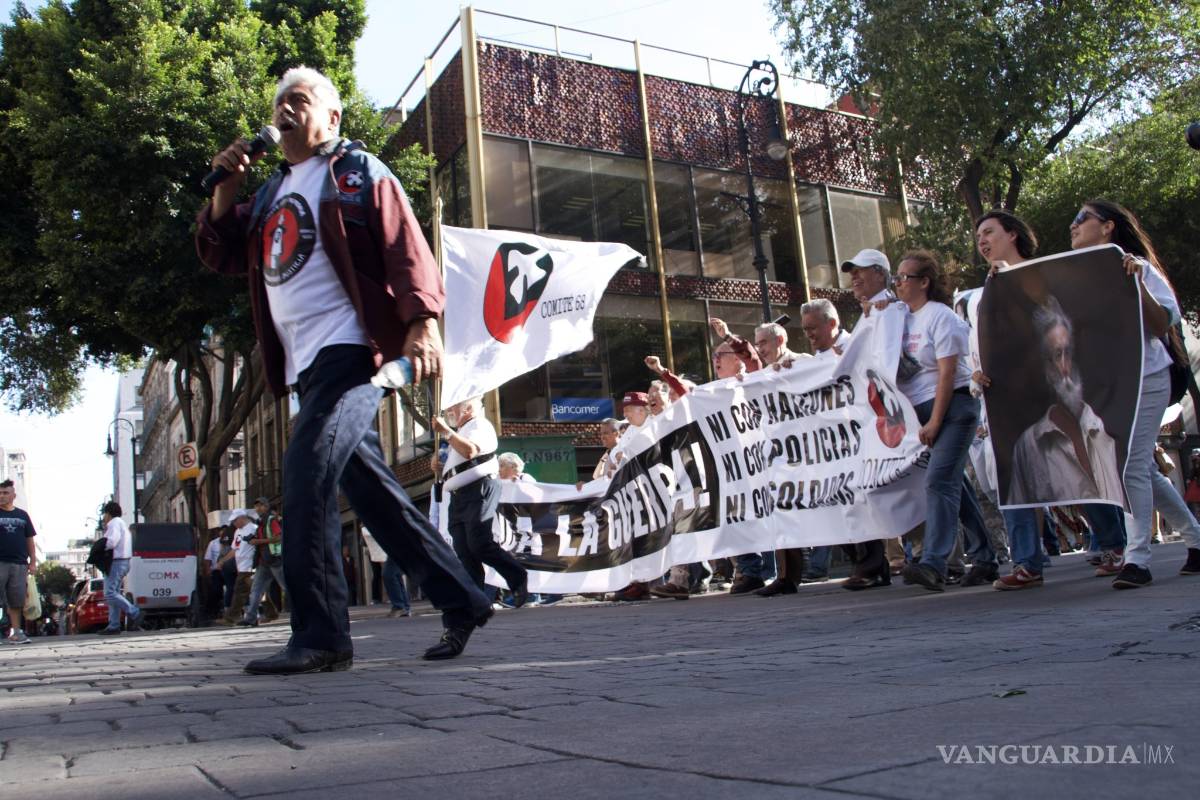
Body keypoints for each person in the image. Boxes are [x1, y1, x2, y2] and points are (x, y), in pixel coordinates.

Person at [196, 66, 492, 672]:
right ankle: (463, 598)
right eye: (278, 101)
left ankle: (323, 636)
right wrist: (224, 187)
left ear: (331, 118)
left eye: (298, 101)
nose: (284, 110)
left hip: (352, 351)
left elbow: (405, 246)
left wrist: (422, 322)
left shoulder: (358, 173)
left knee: (306, 478)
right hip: (304, 365)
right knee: (375, 495)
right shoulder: (271, 194)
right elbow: (221, 252)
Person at [1067, 199, 1200, 584]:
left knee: (1128, 469)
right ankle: (1195, 540)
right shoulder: (1079, 276)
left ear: (1108, 227)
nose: (1073, 226)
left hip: (1146, 378)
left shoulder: (1137, 267)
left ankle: (1137, 559)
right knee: (1138, 469)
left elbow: (1161, 325)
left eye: (1082, 219)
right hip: (1108, 387)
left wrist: (1139, 283)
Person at [883, 251, 992, 592]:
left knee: (939, 482)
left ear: (924, 282)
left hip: (953, 408)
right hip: (922, 411)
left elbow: (947, 375)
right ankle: (986, 557)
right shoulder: (902, 316)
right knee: (955, 485)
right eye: (896, 278)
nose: (898, 283)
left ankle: (933, 562)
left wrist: (935, 422)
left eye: (904, 277)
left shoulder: (941, 317)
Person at [1007, 296, 1124, 506]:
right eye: (1056, 354)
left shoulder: (1110, 428)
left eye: (1068, 353)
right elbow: (1028, 513)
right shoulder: (1029, 445)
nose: (1065, 368)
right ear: (1045, 366)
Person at [432, 397, 529, 609]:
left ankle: (517, 577)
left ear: (468, 408)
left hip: (479, 488)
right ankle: (474, 600)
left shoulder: (479, 425)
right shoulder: (462, 431)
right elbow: (460, 463)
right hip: (459, 496)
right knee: (463, 548)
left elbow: (470, 452)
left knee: (479, 542)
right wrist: (441, 468)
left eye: (454, 407)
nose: (449, 411)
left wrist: (446, 432)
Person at [708, 317, 774, 594]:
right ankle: (748, 570)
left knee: (764, 515)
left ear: (738, 360)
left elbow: (753, 358)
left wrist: (729, 335)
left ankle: (765, 570)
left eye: (721, 355)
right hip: (731, 467)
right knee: (736, 516)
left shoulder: (751, 378)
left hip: (760, 461)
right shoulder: (710, 392)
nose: (715, 361)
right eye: (713, 357)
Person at [97, 501, 144, 635]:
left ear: (109, 513)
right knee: (115, 593)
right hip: (124, 561)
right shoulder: (121, 523)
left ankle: (134, 612)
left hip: (116, 562)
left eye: (105, 514)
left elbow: (112, 542)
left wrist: (101, 547)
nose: (104, 517)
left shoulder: (114, 523)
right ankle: (114, 625)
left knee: (109, 593)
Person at [0, 479, 37, 644]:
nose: (1, 496)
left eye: (5, 493)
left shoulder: (22, 515)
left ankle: (16, 633)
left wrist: (33, 562)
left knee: (16, 599)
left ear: (13, 495)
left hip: (19, 564)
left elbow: (29, 539)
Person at [239, 498, 285, 626]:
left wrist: (257, 542)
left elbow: (278, 538)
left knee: (288, 587)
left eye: (261, 506)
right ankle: (250, 618)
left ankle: (305, 611)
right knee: (256, 590)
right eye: (256, 506)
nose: (258, 508)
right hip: (263, 562)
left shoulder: (271, 520)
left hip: (275, 560)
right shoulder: (260, 522)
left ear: (267, 507)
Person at [218, 510, 258, 625]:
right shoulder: (237, 532)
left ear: (242, 518)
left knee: (239, 591)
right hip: (241, 566)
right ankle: (267, 613)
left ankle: (231, 616)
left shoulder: (253, 528)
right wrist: (223, 560)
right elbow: (235, 550)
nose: (234, 523)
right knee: (256, 591)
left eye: (235, 520)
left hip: (249, 565)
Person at [201, 529, 226, 618]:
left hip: (229, 570)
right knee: (215, 590)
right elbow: (207, 559)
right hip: (216, 570)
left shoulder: (232, 541)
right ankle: (213, 611)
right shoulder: (213, 543)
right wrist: (208, 571)